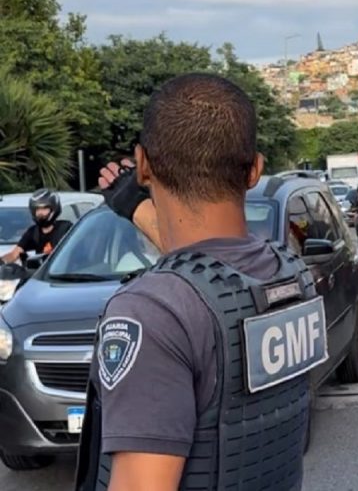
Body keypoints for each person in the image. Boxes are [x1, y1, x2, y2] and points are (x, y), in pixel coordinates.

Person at [74, 73, 320, 491]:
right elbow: (207, 263)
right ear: (254, 170)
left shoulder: (151, 312)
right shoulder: (287, 274)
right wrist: (135, 206)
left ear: (144, 163)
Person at [1, 189, 73, 264]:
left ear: (54, 209)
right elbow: (14, 254)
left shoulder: (66, 229)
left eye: (44, 209)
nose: (40, 213)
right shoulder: (33, 232)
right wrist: (2, 261)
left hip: (63, 272)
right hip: (43, 273)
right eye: (37, 209)